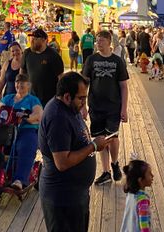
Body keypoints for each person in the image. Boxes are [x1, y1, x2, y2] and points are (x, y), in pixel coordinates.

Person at [38, 72, 108, 232]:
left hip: (76, 195)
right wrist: (94, 146)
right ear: (67, 97)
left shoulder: (69, 109)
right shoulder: (57, 117)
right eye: (81, 98)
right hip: (62, 199)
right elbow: (62, 163)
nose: (84, 102)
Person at [0, 73, 43, 189]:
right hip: (5, 130)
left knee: (25, 146)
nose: (19, 84)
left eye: (23, 82)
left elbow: (38, 115)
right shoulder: (8, 98)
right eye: (17, 82)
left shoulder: (33, 100)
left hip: (25, 130)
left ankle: (19, 179)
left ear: (29, 85)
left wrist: (27, 117)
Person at [82, 29, 129, 185]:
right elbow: (84, 83)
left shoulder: (117, 61)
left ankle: (114, 162)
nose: (98, 42)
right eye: (97, 40)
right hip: (95, 105)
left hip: (113, 107)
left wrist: (124, 109)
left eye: (101, 40)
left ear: (109, 42)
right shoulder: (91, 60)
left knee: (112, 137)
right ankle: (105, 171)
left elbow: (123, 86)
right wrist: (82, 106)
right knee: (100, 139)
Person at [21, 28, 64, 107]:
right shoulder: (27, 53)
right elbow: (22, 72)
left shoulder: (53, 55)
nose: (32, 40)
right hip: (31, 97)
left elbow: (60, 77)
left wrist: (60, 96)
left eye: (36, 38)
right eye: (32, 38)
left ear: (44, 40)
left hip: (49, 99)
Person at [120, 159, 153, 232]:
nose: (152, 176)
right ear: (140, 180)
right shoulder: (142, 200)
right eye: (149, 174)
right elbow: (144, 225)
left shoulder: (130, 194)